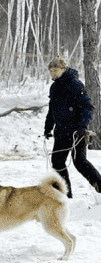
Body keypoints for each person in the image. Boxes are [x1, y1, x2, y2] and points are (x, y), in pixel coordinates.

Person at [44, 57, 101, 198]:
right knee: (57, 162)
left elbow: (87, 107)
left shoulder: (75, 84)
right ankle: (64, 194)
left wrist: (82, 126)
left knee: (79, 162)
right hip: (61, 131)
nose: (53, 73)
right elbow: (52, 109)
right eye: (51, 71)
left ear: (63, 69)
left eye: (56, 70)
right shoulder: (54, 87)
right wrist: (48, 127)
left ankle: (100, 185)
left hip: (76, 131)